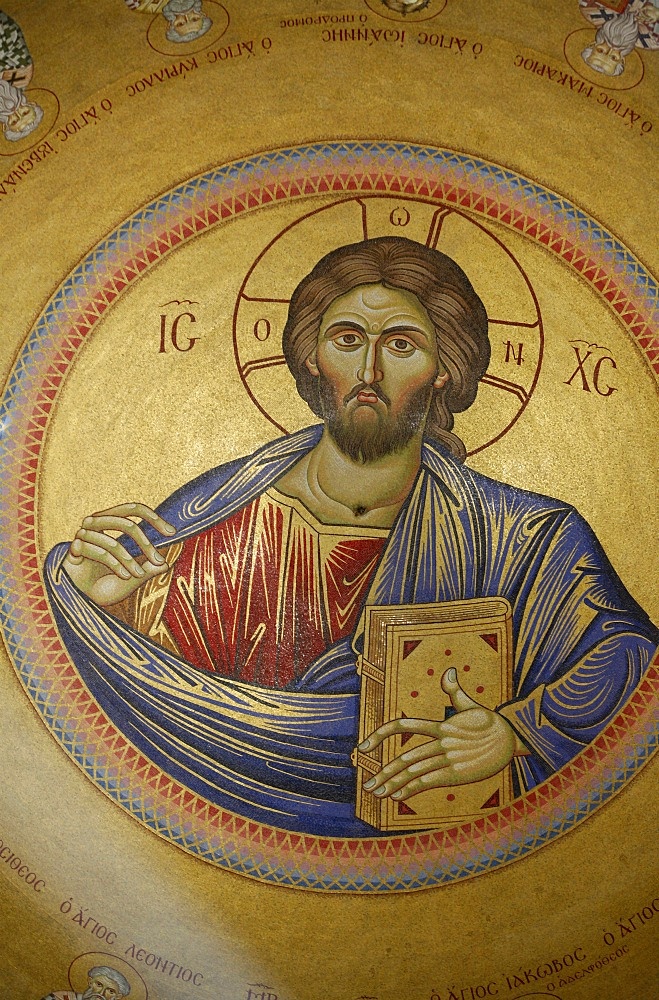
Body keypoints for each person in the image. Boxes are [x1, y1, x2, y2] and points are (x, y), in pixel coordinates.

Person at [45, 237, 658, 837]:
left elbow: (633, 656)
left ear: (444, 370)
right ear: (312, 358)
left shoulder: (524, 537)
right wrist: (97, 608)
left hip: (436, 863)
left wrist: (519, 730)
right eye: (347, 340)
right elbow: (149, 698)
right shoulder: (216, 524)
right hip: (213, 849)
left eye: (401, 345)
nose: (368, 371)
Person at [42, 965, 130, 1000]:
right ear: (90, 981)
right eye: (99, 985)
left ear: (118, 996)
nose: (101, 993)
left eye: (110, 991)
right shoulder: (60, 998)